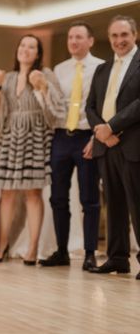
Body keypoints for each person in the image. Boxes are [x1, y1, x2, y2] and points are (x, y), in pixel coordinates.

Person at [0, 35, 63, 265]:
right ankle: (1, 246)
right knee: (7, 193)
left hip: (35, 136)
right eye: (22, 45)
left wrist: (42, 85)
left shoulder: (46, 74)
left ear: (38, 53)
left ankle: (32, 249)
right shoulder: (8, 78)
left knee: (33, 193)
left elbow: (57, 106)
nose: (26, 50)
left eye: (32, 47)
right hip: (10, 136)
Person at [39, 22, 104, 270]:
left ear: (90, 41)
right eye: (70, 38)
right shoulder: (59, 69)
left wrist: (95, 138)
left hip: (87, 137)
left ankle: (89, 252)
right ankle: (61, 251)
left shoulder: (100, 67)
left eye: (79, 37)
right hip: (61, 137)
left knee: (89, 198)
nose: (73, 42)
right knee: (58, 197)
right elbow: (55, 104)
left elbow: (102, 106)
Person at [86, 15, 140, 279]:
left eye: (124, 35)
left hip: (132, 144)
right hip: (106, 146)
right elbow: (90, 107)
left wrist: (114, 126)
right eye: (115, 36)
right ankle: (118, 258)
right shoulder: (102, 69)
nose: (119, 41)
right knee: (114, 204)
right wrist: (102, 132)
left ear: (135, 35)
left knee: (138, 204)